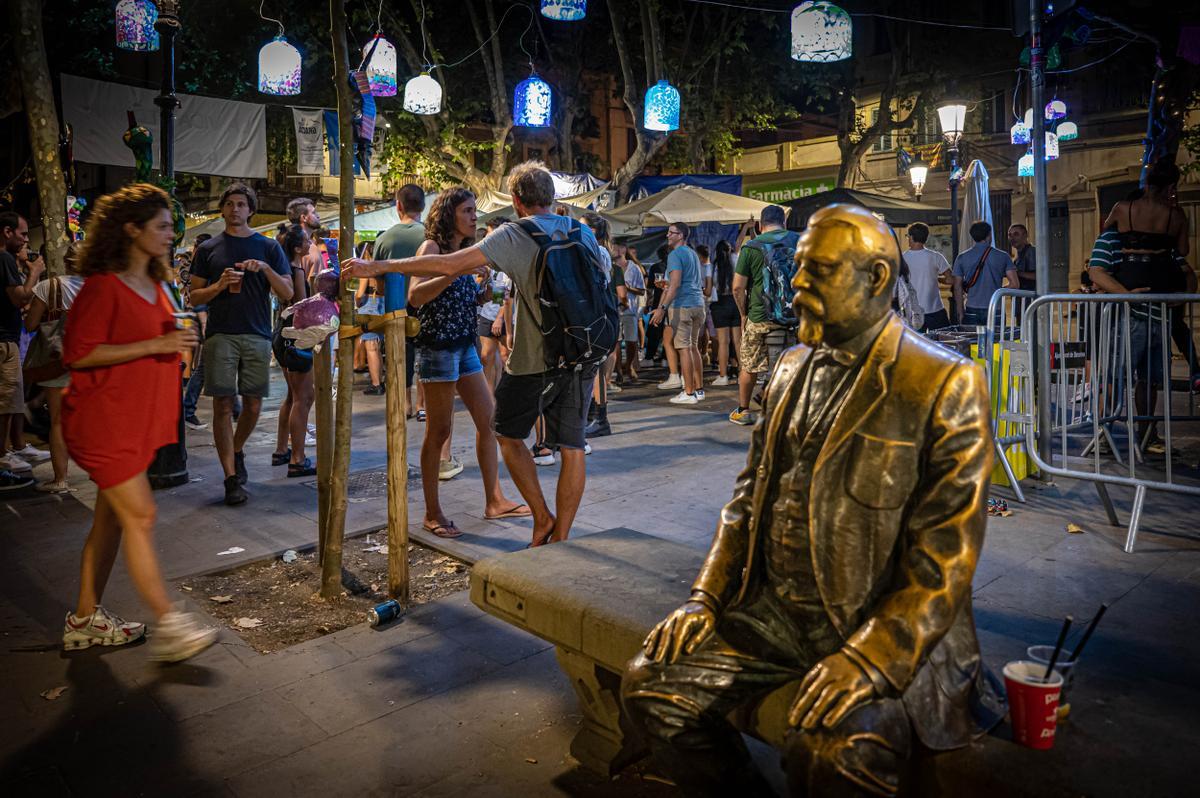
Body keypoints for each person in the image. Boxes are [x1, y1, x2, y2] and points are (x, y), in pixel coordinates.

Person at [621, 203, 1002, 796]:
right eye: (798, 269)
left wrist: (872, 657)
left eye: (816, 271)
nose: (795, 285)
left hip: (876, 626)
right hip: (775, 615)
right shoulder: (791, 366)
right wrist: (704, 599)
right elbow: (745, 504)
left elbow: (945, 557)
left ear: (876, 279)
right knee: (650, 687)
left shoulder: (944, 381)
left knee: (834, 751)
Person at [343, 161, 605, 548]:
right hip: (575, 353)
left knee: (500, 429)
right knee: (567, 447)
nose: (474, 216)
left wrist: (381, 265)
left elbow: (450, 268)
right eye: (467, 211)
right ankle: (552, 535)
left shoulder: (510, 235)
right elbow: (426, 286)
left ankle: (526, 513)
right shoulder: (581, 231)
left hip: (516, 355)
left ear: (516, 200)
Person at [60, 183, 217, 662]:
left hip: (134, 420)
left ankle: (84, 620)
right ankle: (171, 624)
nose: (172, 233)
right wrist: (157, 346)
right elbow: (80, 353)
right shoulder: (105, 285)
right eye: (163, 226)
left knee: (110, 524)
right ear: (132, 229)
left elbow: (164, 335)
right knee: (142, 516)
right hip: (104, 420)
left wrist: (177, 341)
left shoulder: (156, 281)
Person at [408, 187, 529, 539]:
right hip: (438, 348)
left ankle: (494, 500)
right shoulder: (431, 249)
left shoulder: (463, 252)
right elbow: (415, 296)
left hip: (464, 346)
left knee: (489, 420)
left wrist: (477, 289)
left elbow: (454, 298)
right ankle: (432, 513)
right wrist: (452, 272)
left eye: (475, 210)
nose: (475, 216)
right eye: (468, 210)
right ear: (449, 215)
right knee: (439, 431)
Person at [188, 182, 294, 506]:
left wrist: (263, 269)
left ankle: (236, 449)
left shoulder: (268, 247)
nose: (235, 209)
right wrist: (219, 285)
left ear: (250, 210)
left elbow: (288, 292)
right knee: (222, 404)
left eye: (241, 204)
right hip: (220, 334)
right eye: (230, 204)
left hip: (257, 334)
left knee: (253, 405)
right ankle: (230, 477)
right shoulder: (208, 250)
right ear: (222, 209)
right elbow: (194, 296)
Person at [23, 244, 85, 492]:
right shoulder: (99, 286)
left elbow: (30, 324)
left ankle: (61, 479)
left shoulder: (49, 287)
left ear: (66, 261)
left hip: (57, 362)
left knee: (58, 421)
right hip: (91, 361)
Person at [729, 204, 798, 426]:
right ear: (784, 223)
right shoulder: (799, 241)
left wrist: (743, 314)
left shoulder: (751, 247)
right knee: (794, 363)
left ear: (759, 225)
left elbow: (738, 288)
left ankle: (744, 410)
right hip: (793, 317)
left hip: (759, 317)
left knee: (748, 365)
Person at [0, 212, 48, 482]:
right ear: (7, 232)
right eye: (23, 233)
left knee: (13, 398)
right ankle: (3, 456)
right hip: (5, 341)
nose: (26, 240)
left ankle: (13, 448)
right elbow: (21, 298)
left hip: (9, 339)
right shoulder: (5, 258)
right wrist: (35, 273)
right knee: (6, 400)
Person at [270, 224, 317, 477]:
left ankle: (281, 450)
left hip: (281, 334)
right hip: (295, 337)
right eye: (308, 240)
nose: (311, 242)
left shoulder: (285, 267)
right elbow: (300, 306)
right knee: (304, 398)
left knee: (291, 396)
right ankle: (298, 458)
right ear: (298, 247)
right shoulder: (297, 270)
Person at [650, 222, 706, 405]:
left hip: (682, 306)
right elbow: (683, 282)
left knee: (684, 349)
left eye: (671, 233)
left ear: (680, 235)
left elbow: (675, 285)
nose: (668, 236)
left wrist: (662, 308)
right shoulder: (692, 254)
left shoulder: (675, 254)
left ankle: (688, 393)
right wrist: (667, 286)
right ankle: (698, 390)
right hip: (698, 304)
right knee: (693, 348)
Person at [582, 211, 624, 436]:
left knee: (596, 368)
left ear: (594, 232)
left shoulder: (597, 252)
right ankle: (592, 416)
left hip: (601, 316)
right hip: (601, 315)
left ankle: (601, 418)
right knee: (592, 368)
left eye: (582, 227)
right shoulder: (598, 251)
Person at [951, 221, 1018, 326]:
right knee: (995, 341)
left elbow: (957, 287)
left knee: (973, 341)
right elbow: (1014, 284)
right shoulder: (1003, 256)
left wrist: (960, 310)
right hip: (995, 307)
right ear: (989, 235)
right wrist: (997, 292)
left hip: (971, 308)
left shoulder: (962, 257)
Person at [182, 232, 213, 430]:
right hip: (200, 317)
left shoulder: (199, 264)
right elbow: (196, 297)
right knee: (203, 365)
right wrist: (203, 320)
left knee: (205, 365)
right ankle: (188, 409)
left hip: (202, 317)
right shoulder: (197, 266)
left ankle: (234, 407)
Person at [476, 216, 511, 391]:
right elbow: (489, 287)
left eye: (490, 233)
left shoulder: (509, 258)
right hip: (487, 313)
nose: (486, 238)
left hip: (505, 315)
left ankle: (505, 395)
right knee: (486, 356)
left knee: (506, 356)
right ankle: (490, 398)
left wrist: (499, 317)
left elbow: (505, 292)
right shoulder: (488, 257)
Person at [902, 222, 952, 332]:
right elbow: (950, 279)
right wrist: (936, 278)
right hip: (935, 309)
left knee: (916, 345)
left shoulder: (902, 258)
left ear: (911, 237)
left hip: (913, 312)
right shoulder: (936, 257)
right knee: (945, 341)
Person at [709, 239, 741, 385]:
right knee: (738, 341)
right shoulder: (736, 259)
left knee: (723, 342)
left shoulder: (713, 265)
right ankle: (743, 373)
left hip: (719, 303)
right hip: (735, 302)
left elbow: (709, 288)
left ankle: (723, 376)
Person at [616, 243, 646, 384]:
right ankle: (618, 370)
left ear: (623, 249)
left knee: (631, 341)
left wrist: (628, 288)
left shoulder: (634, 268)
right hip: (613, 309)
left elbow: (642, 291)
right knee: (616, 341)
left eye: (616, 246)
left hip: (630, 310)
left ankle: (628, 366)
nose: (613, 249)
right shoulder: (608, 266)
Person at [287, 197, 329, 280]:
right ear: (304, 218)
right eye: (314, 213)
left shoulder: (310, 243)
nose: (318, 216)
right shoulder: (297, 246)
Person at [1009, 223, 1037, 291]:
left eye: (1016, 234)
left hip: (1030, 298)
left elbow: (1037, 276)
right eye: (1010, 235)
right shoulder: (1017, 257)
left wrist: (1015, 273)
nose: (1012, 238)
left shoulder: (1031, 251)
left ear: (1025, 235)